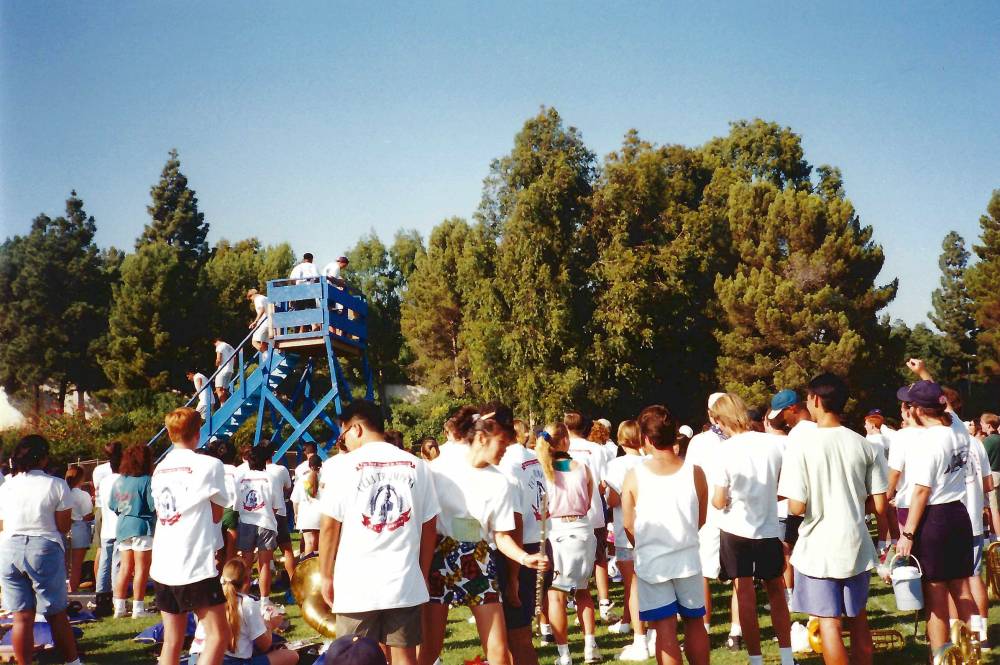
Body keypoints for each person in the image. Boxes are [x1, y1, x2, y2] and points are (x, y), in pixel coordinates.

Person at [421, 406, 548, 665]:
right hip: (438, 558)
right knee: (428, 651)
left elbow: (501, 536)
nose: (505, 449)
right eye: (502, 442)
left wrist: (524, 558)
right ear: (481, 438)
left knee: (499, 653)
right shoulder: (437, 469)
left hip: (478, 559)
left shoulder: (501, 481)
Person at [317, 400, 440, 665]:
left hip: (356, 584)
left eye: (344, 433)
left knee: (352, 657)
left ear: (357, 429)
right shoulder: (417, 465)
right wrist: (423, 570)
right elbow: (430, 525)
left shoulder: (343, 467)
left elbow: (328, 526)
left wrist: (326, 575)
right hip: (404, 580)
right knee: (405, 658)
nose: (344, 441)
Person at [777, 373, 887, 665]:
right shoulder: (865, 445)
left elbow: (797, 507)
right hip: (856, 541)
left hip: (819, 547)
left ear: (814, 400)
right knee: (859, 618)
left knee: (829, 623)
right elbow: (879, 503)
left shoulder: (800, 444)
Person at [621, 405, 710, 665]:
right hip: (688, 558)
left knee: (665, 628)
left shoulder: (634, 475)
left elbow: (628, 523)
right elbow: (700, 519)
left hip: (653, 561)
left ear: (646, 439)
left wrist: (644, 545)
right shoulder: (695, 472)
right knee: (695, 623)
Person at [894, 379, 978, 654]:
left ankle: (940, 657)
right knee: (962, 589)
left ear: (917, 410)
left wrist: (907, 534)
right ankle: (973, 651)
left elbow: (920, 492)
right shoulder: (957, 427)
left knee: (937, 598)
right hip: (958, 513)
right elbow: (949, 408)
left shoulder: (928, 441)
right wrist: (923, 374)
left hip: (935, 518)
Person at [709, 394, 793, 665]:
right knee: (776, 592)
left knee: (744, 594)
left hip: (735, 528)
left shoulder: (723, 450)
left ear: (721, 419)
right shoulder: (774, 444)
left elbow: (719, 500)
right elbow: (787, 486)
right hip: (767, 527)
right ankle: (787, 656)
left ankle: (756, 659)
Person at [151, 407, 232, 665]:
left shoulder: (160, 469)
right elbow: (217, 514)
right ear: (197, 433)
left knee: (172, 641)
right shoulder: (210, 464)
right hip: (194, 562)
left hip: (163, 561)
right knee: (218, 635)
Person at [0, 435, 82, 665]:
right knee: (56, 613)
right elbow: (63, 526)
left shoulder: (7, 486)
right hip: (43, 546)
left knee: (21, 617)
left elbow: (2, 523)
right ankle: (72, 662)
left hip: (9, 548)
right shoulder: (56, 484)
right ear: (44, 459)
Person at [535, 423, 598, 665]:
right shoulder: (582, 467)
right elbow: (590, 499)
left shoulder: (543, 470)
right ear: (564, 441)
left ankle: (565, 654)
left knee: (556, 596)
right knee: (583, 591)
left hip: (557, 531)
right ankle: (590, 646)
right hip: (582, 528)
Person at [493, 402, 548, 665]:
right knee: (517, 636)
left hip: (519, 553)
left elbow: (514, 520)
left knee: (517, 638)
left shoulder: (508, 464)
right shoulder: (533, 458)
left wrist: (513, 576)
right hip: (538, 544)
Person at [684, 392, 740, 646]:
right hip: (736, 512)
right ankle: (736, 631)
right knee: (739, 575)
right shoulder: (743, 440)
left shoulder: (700, 442)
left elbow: (691, 479)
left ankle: (704, 630)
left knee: (703, 573)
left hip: (709, 512)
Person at [188, 558, 299, 665]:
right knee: (292, 656)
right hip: (228, 661)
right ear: (247, 581)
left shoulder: (209, 599)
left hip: (196, 659)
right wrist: (270, 623)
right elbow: (264, 645)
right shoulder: (247, 603)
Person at [604, 420, 651, 660]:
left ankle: (640, 639)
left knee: (632, 586)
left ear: (621, 439)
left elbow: (612, 500)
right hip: (651, 530)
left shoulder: (616, 465)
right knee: (650, 584)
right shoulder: (649, 461)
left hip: (626, 531)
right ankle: (650, 634)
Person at [564, 411, 612, 631]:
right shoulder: (598, 450)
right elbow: (603, 482)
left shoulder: (561, 450)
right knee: (599, 558)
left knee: (572, 561)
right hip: (593, 510)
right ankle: (603, 601)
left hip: (570, 512)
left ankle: (575, 602)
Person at [111, 443, 156, 618]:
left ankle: (119, 608)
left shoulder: (119, 480)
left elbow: (112, 504)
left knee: (125, 568)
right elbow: (152, 506)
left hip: (122, 525)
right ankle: (138, 608)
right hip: (141, 525)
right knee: (141, 569)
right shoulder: (146, 480)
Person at [236, 446, 283, 602]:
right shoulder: (271, 477)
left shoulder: (240, 477)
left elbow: (237, 504)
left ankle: (242, 597)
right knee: (264, 564)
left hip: (246, 521)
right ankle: (264, 600)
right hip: (266, 522)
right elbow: (276, 505)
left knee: (246, 564)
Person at [263, 445, 296, 594]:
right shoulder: (281, 470)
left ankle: (266, 588)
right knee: (287, 550)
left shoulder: (255, 471)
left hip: (264, 514)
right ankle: (294, 583)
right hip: (280, 513)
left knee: (265, 554)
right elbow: (288, 487)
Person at [95, 448, 122, 617]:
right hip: (119, 526)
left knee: (105, 563)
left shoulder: (105, 481)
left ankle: (101, 596)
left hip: (107, 526)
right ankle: (115, 598)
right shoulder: (122, 480)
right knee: (116, 565)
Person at [64, 465, 94, 593]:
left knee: (64, 565)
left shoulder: (62, 493)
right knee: (76, 566)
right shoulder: (83, 495)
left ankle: (64, 590)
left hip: (64, 528)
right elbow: (87, 515)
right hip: (79, 528)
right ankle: (72, 590)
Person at [290, 455, 322, 555]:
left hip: (305, 515)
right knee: (319, 543)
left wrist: (296, 514)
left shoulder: (301, 480)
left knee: (309, 542)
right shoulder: (325, 479)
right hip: (321, 514)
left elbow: (295, 500)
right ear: (320, 466)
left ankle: (308, 566)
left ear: (309, 465)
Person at [247, 289, 270, 353]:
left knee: (254, 342)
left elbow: (261, 309)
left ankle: (266, 356)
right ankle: (267, 357)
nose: (251, 300)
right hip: (271, 323)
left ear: (252, 295)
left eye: (250, 298)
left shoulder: (257, 299)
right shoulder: (265, 298)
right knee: (264, 344)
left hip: (264, 323)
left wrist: (255, 322)